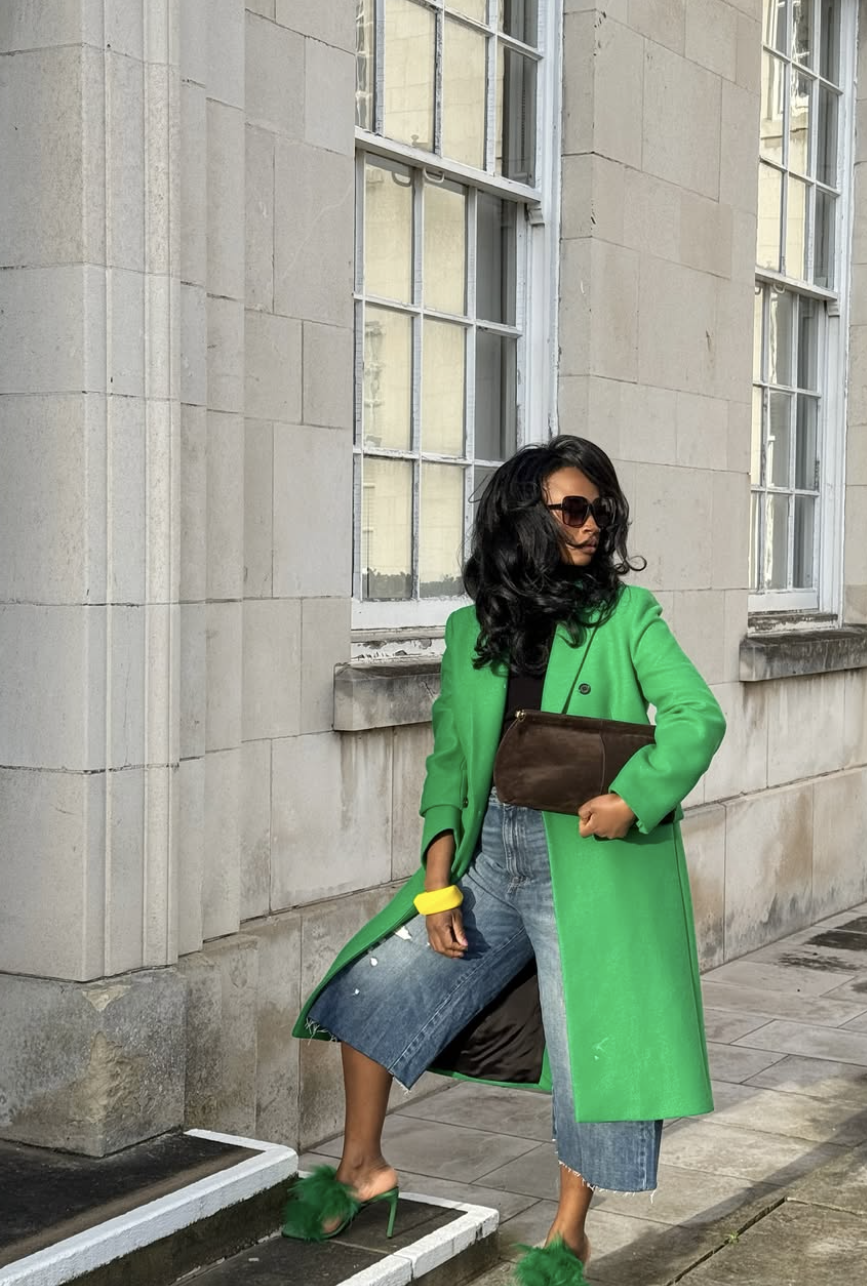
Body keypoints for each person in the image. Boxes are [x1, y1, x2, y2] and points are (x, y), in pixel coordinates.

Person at [285, 436, 726, 1283]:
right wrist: (438, 884)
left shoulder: (626, 618)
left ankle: (567, 1238)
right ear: (524, 519)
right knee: (371, 988)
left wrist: (634, 796)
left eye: (599, 508)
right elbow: (451, 764)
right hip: (491, 861)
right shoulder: (469, 630)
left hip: (589, 863)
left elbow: (695, 717)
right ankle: (362, 1170)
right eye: (573, 509)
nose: (592, 524)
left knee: (586, 1048)